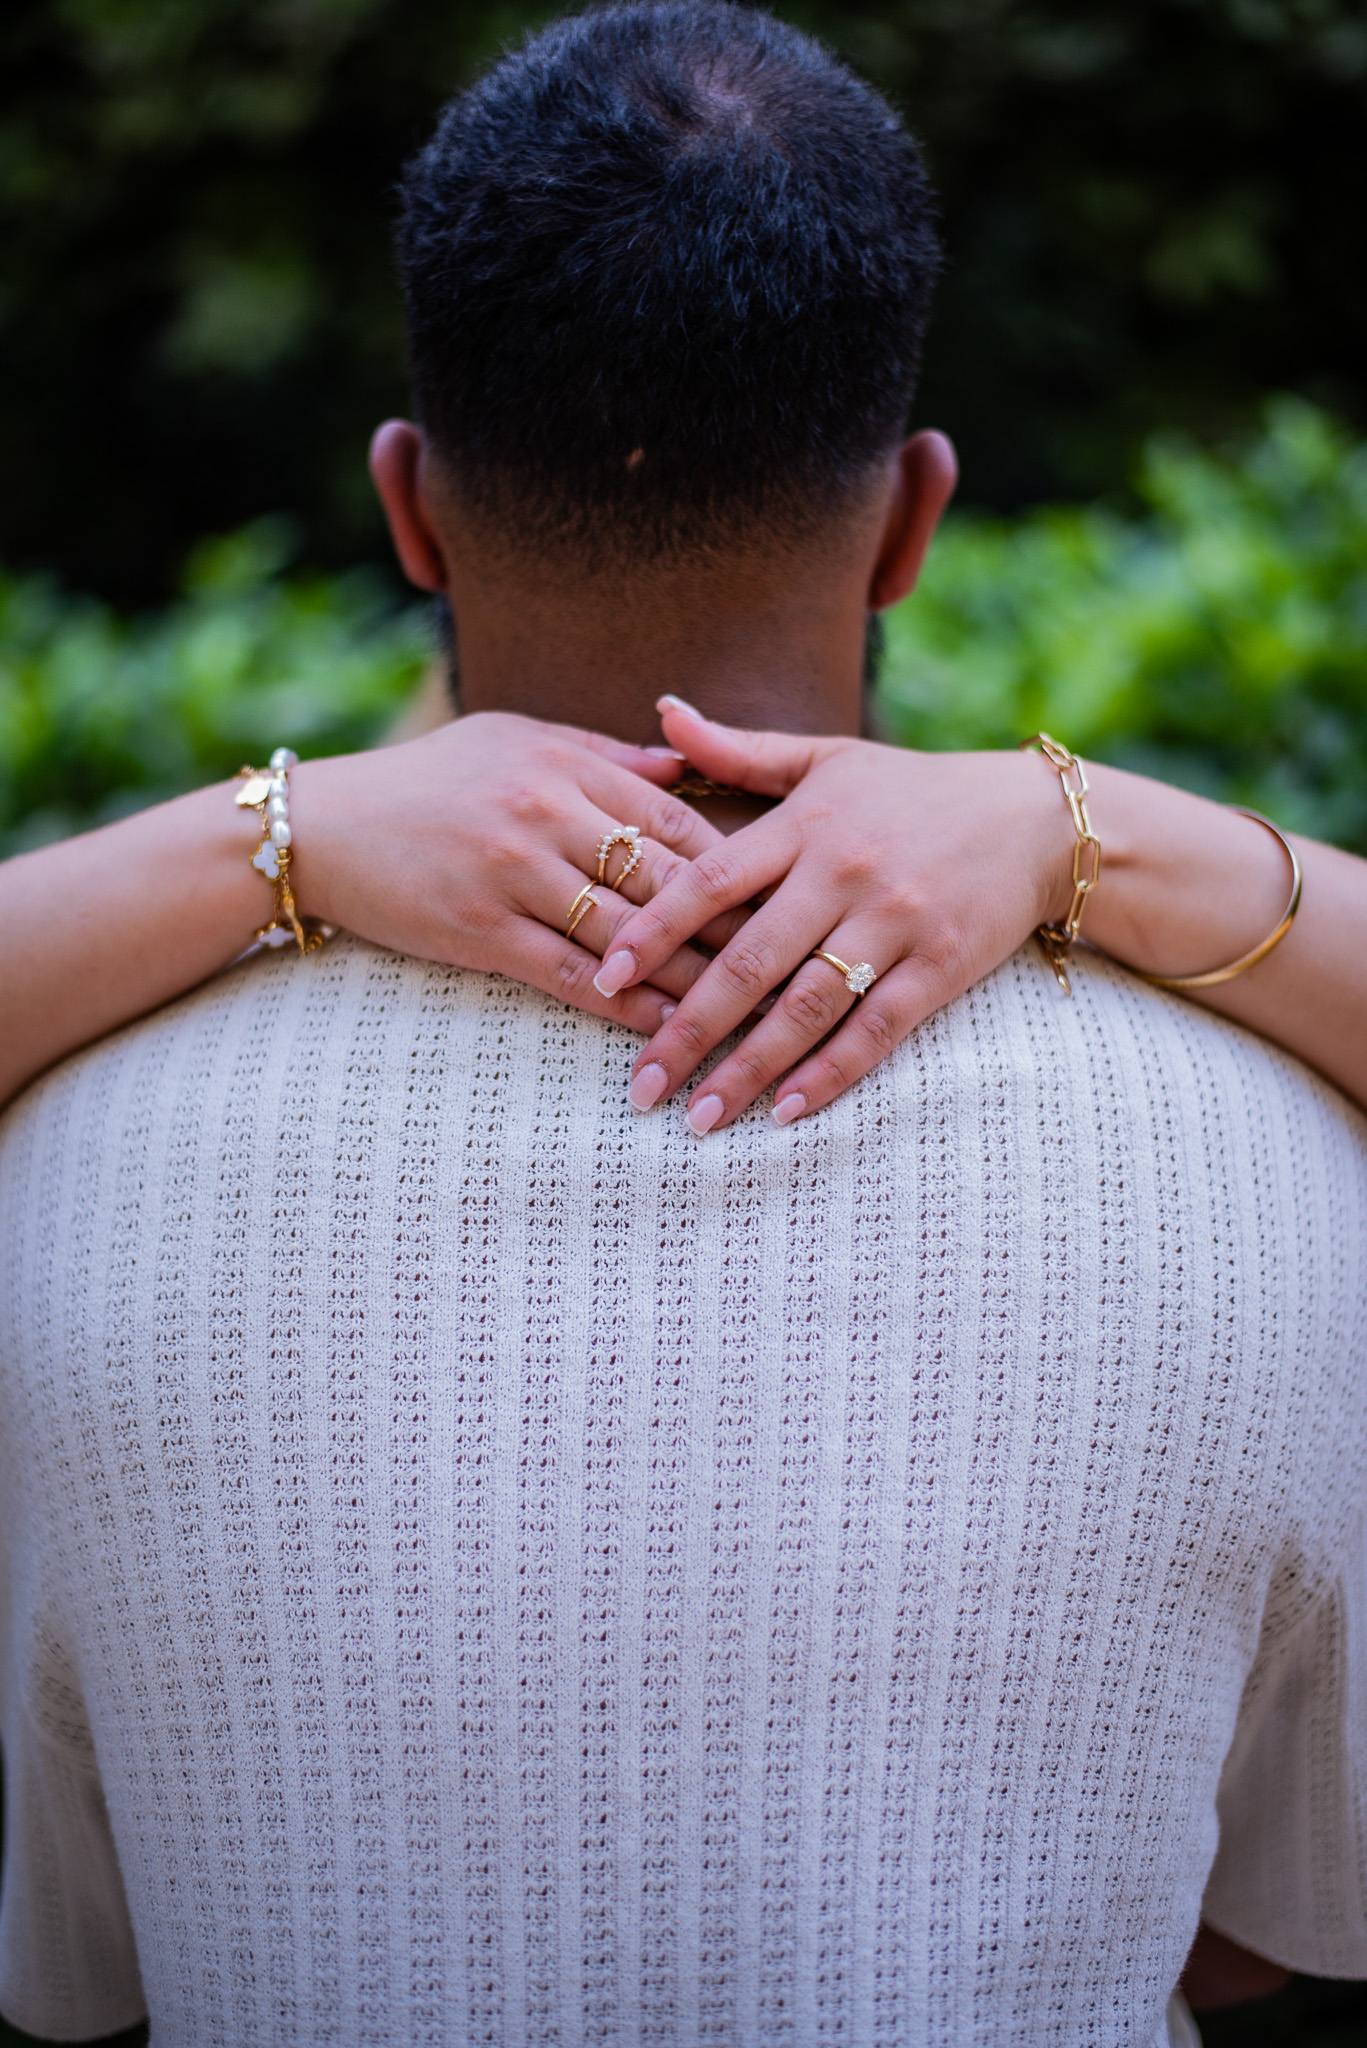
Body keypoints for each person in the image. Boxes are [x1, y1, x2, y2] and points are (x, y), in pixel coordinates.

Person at [1, 5, 1365, 2043]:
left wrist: (266, 837)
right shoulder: (1280, 1155)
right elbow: (1283, 1911)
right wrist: (1092, 827)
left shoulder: (66, 1163)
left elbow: (73, 1958)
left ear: (409, 508)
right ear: (917, 517)